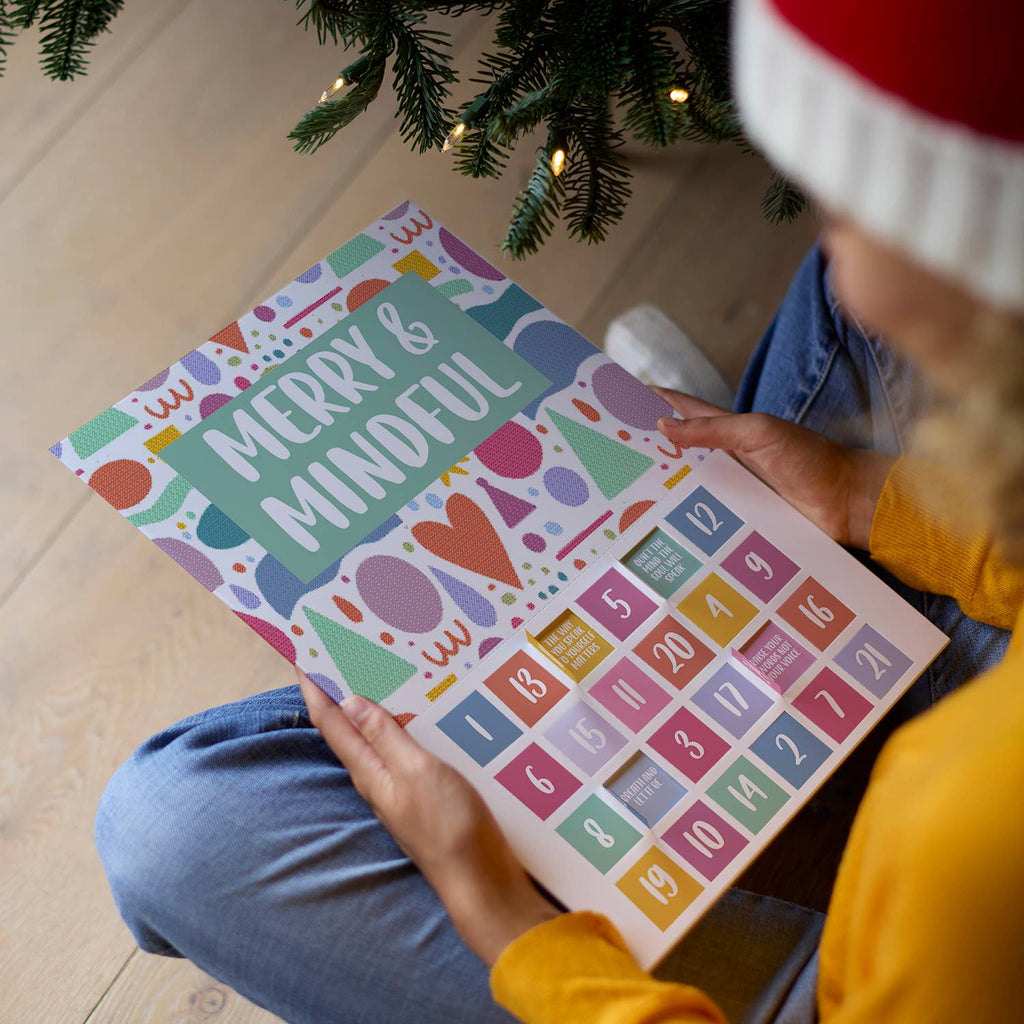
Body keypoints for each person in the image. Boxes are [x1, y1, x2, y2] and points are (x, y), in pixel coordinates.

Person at [95, 0, 1024, 1020]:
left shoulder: (959, 834)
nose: (833, 253)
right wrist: (865, 495)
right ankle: (739, 523)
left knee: (171, 826)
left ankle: (727, 548)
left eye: (842, 217)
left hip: (883, 938)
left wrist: (502, 912)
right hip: (962, 719)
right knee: (853, 315)